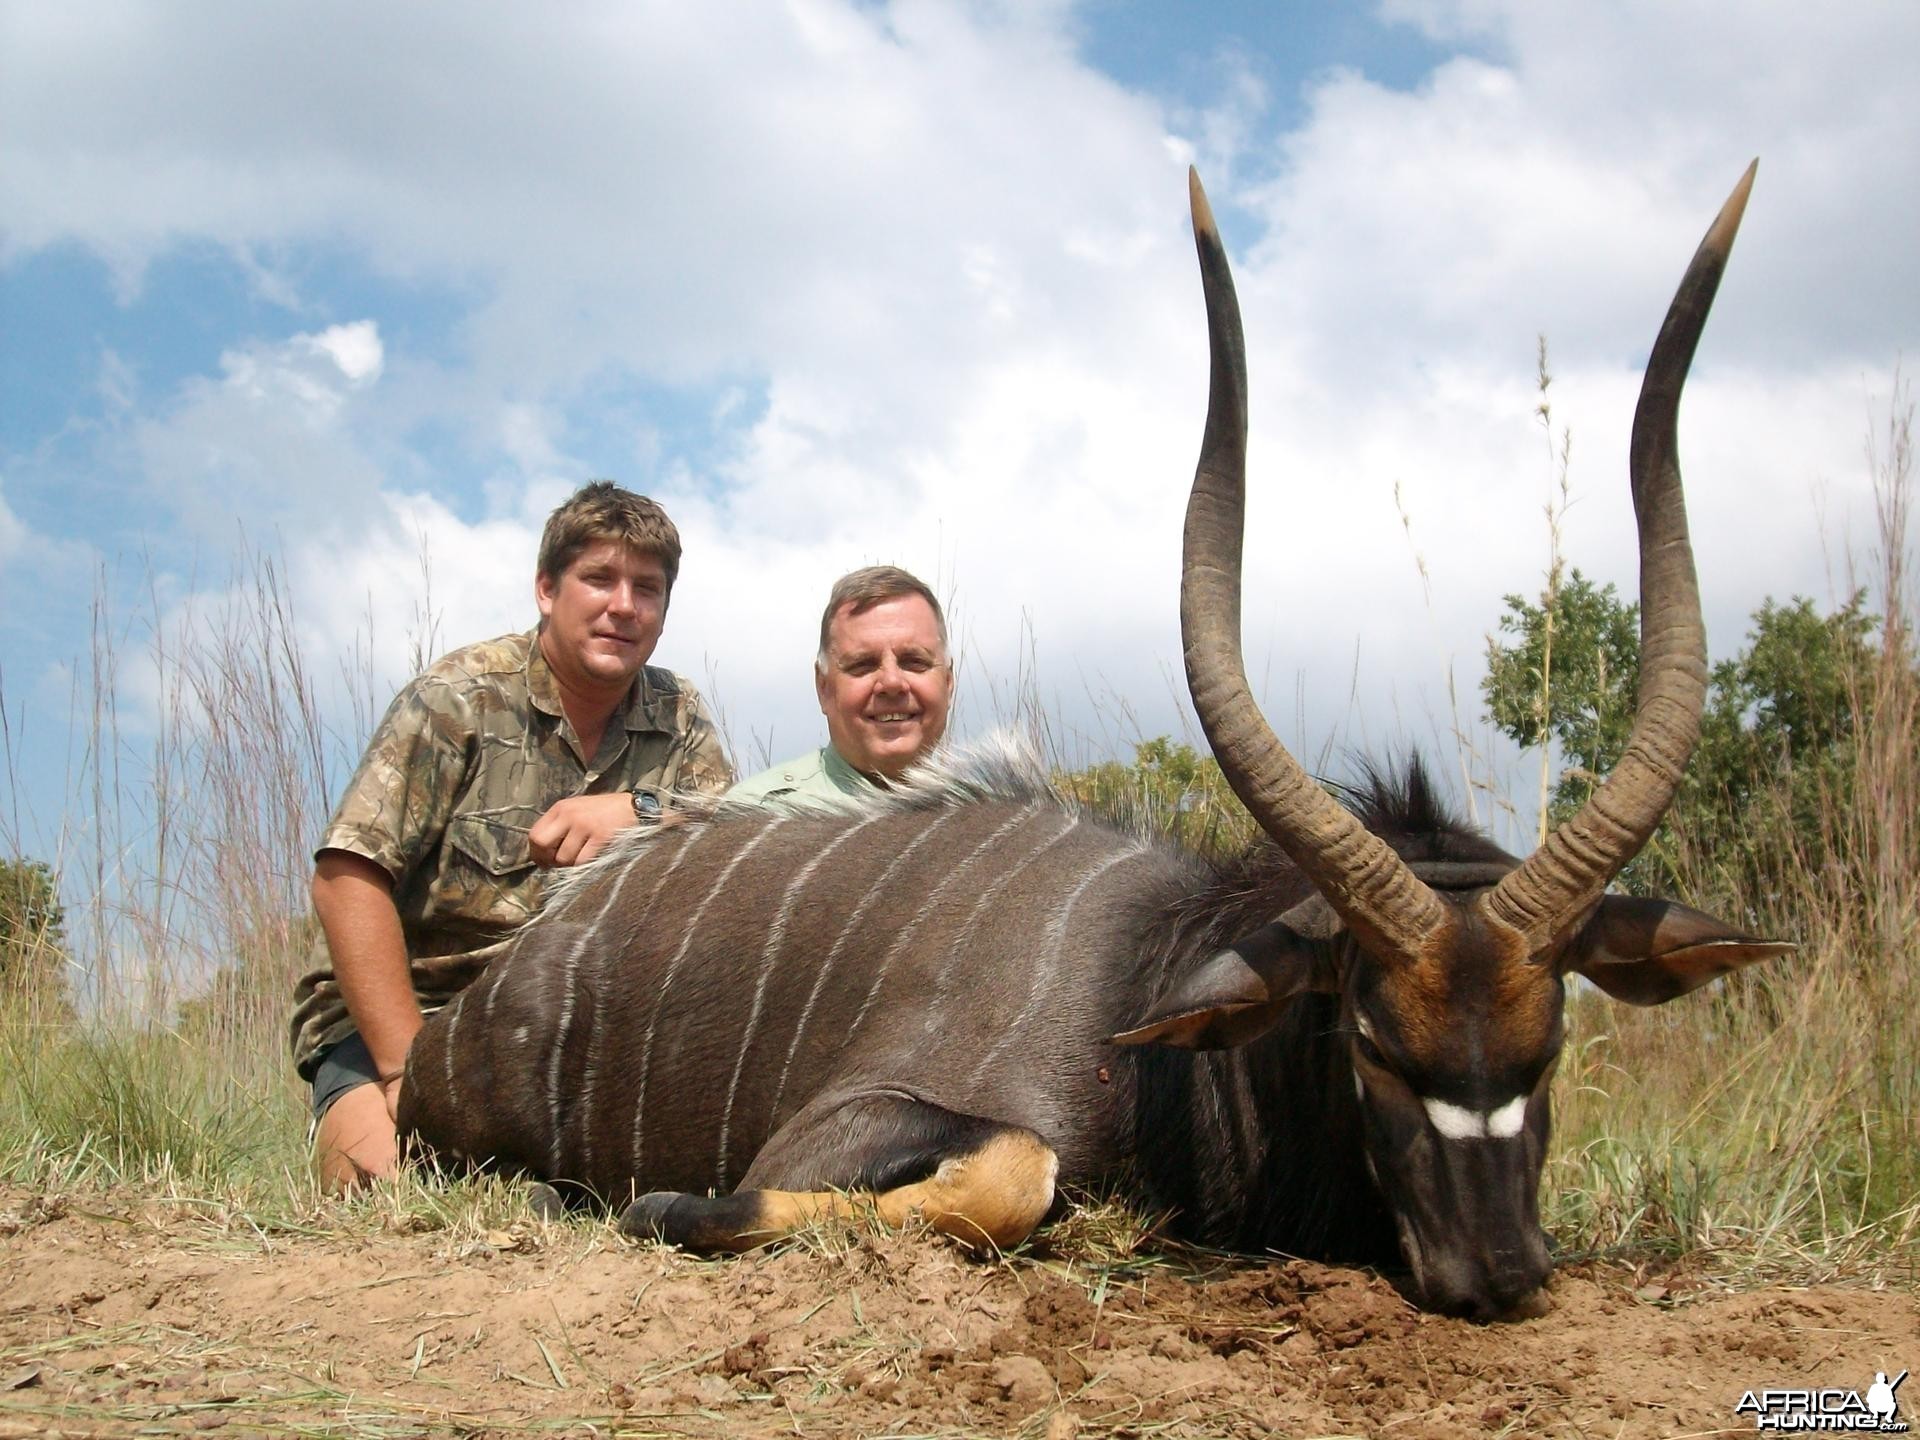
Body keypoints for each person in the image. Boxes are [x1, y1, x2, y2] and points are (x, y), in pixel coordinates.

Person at [290, 482, 735, 1193]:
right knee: (388, 1198)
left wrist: (647, 810)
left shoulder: (679, 715)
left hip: (566, 1028)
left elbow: (733, 849)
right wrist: (411, 1074)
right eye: (599, 579)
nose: (624, 605)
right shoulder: (458, 698)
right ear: (546, 590)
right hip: (413, 1019)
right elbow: (346, 881)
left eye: (646, 589)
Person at [729, 565, 953, 809]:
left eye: (914, 662)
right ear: (823, 688)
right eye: (862, 665)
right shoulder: (755, 814)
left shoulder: (990, 814)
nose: (891, 683)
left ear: (948, 682)